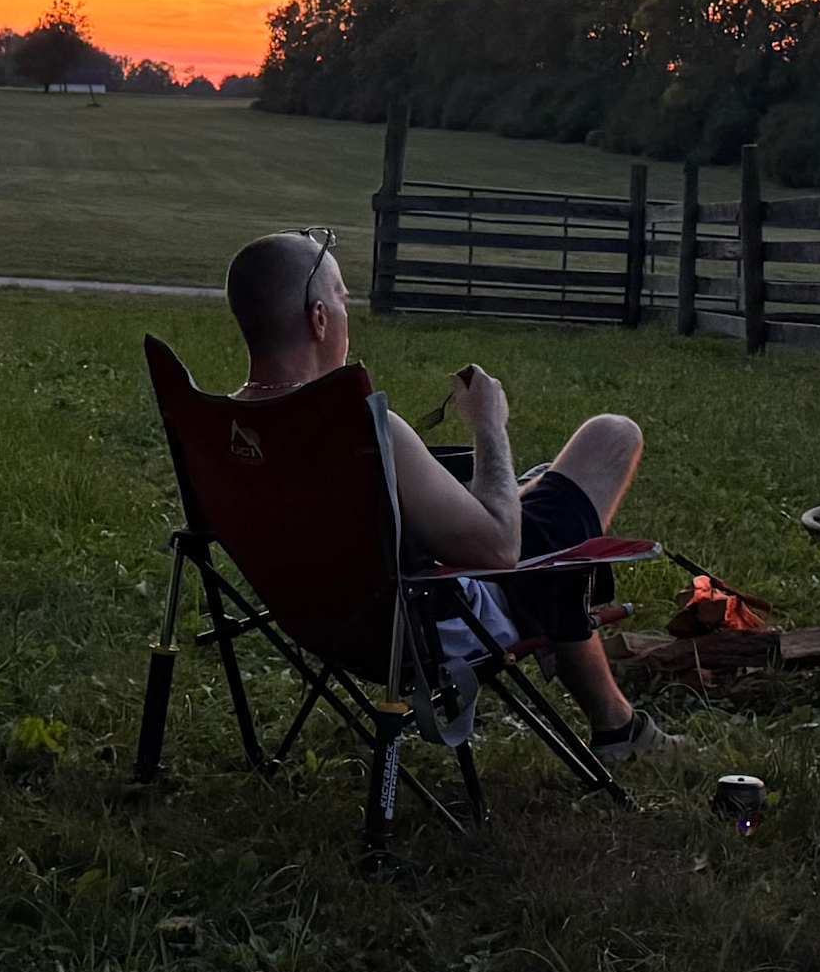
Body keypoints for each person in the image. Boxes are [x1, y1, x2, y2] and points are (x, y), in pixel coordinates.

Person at [223, 228, 674, 763]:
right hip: (436, 620)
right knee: (610, 436)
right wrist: (489, 425)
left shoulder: (223, 430)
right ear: (318, 319)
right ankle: (615, 722)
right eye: (343, 298)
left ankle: (609, 712)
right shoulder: (366, 429)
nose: (350, 311)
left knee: (536, 490)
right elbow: (502, 551)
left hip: (322, 625)